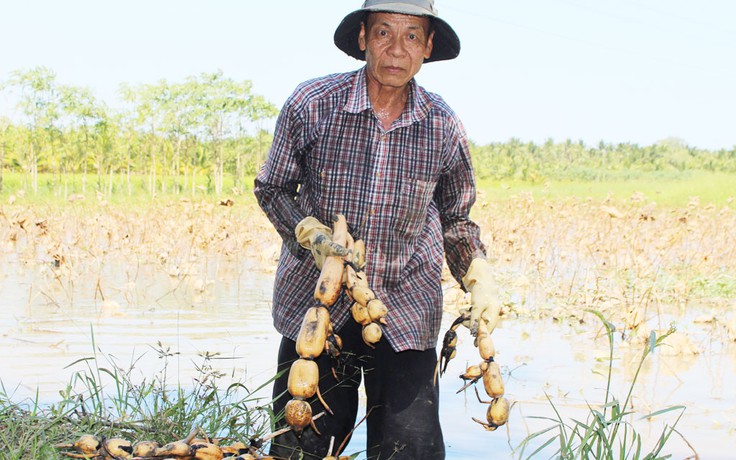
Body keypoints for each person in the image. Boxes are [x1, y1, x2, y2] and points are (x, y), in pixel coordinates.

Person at [254, 1, 502, 458]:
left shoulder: (442, 124)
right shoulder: (312, 104)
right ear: (363, 38)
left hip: (406, 307)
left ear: (428, 47)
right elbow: (272, 188)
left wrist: (477, 275)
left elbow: (456, 218)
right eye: (384, 32)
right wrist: (307, 231)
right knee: (301, 447)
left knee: (410, 448)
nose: (396, 49)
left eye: (411, 36)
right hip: (317, 305)